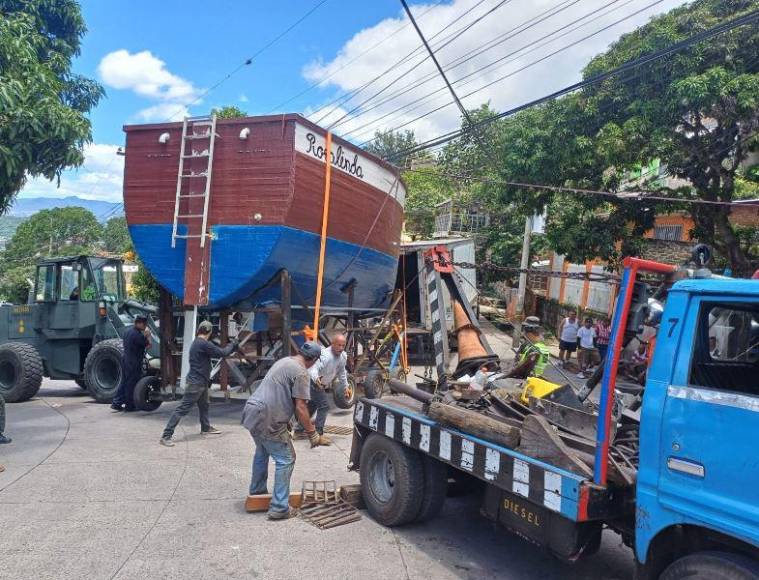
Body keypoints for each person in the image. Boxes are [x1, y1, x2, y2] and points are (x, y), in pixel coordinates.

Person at [242, 341, 323, 520]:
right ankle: (279, 507)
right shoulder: (302, 372)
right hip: (267, 416)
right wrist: (313, 433)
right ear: (314, 360)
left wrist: (287, 421)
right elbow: (301, 408)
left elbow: (282, 395)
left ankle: (257, 493)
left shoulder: (285, 361)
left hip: (253, 411)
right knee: (286, 458)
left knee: (263, 451)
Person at [160, 321, 238, 446]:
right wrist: (233, 345)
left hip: (200, 382)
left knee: (204, 405)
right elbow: (222, 353)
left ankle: (205, 427)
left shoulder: (198, 343)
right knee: (182, 409)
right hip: (196, 383)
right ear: (209, 332)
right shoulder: (203, 344)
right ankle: (166, 435)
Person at [306, 333, 348, 445]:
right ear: (332, 344)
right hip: (313, 382)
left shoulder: (343, 356)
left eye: (343, 345)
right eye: (338, 345)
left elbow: (341, 372)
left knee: (312, 406)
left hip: (321, 384)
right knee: (324, 406)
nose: (341, 348)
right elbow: (313, 368)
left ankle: (299, 428)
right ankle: (319, 435)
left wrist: (346, 386)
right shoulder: (324, 355)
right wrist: (316, 379)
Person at [111, 314, 151, 412]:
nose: (145, 326)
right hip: (134, 362)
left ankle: (116, 403)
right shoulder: (137, 335)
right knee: (131, 384)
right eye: (145, 324)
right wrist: (148, 336)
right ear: (140, 323)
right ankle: (130, 406)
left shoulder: (128, 332)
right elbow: (149, 345)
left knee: (124, 382)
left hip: (126, 360)